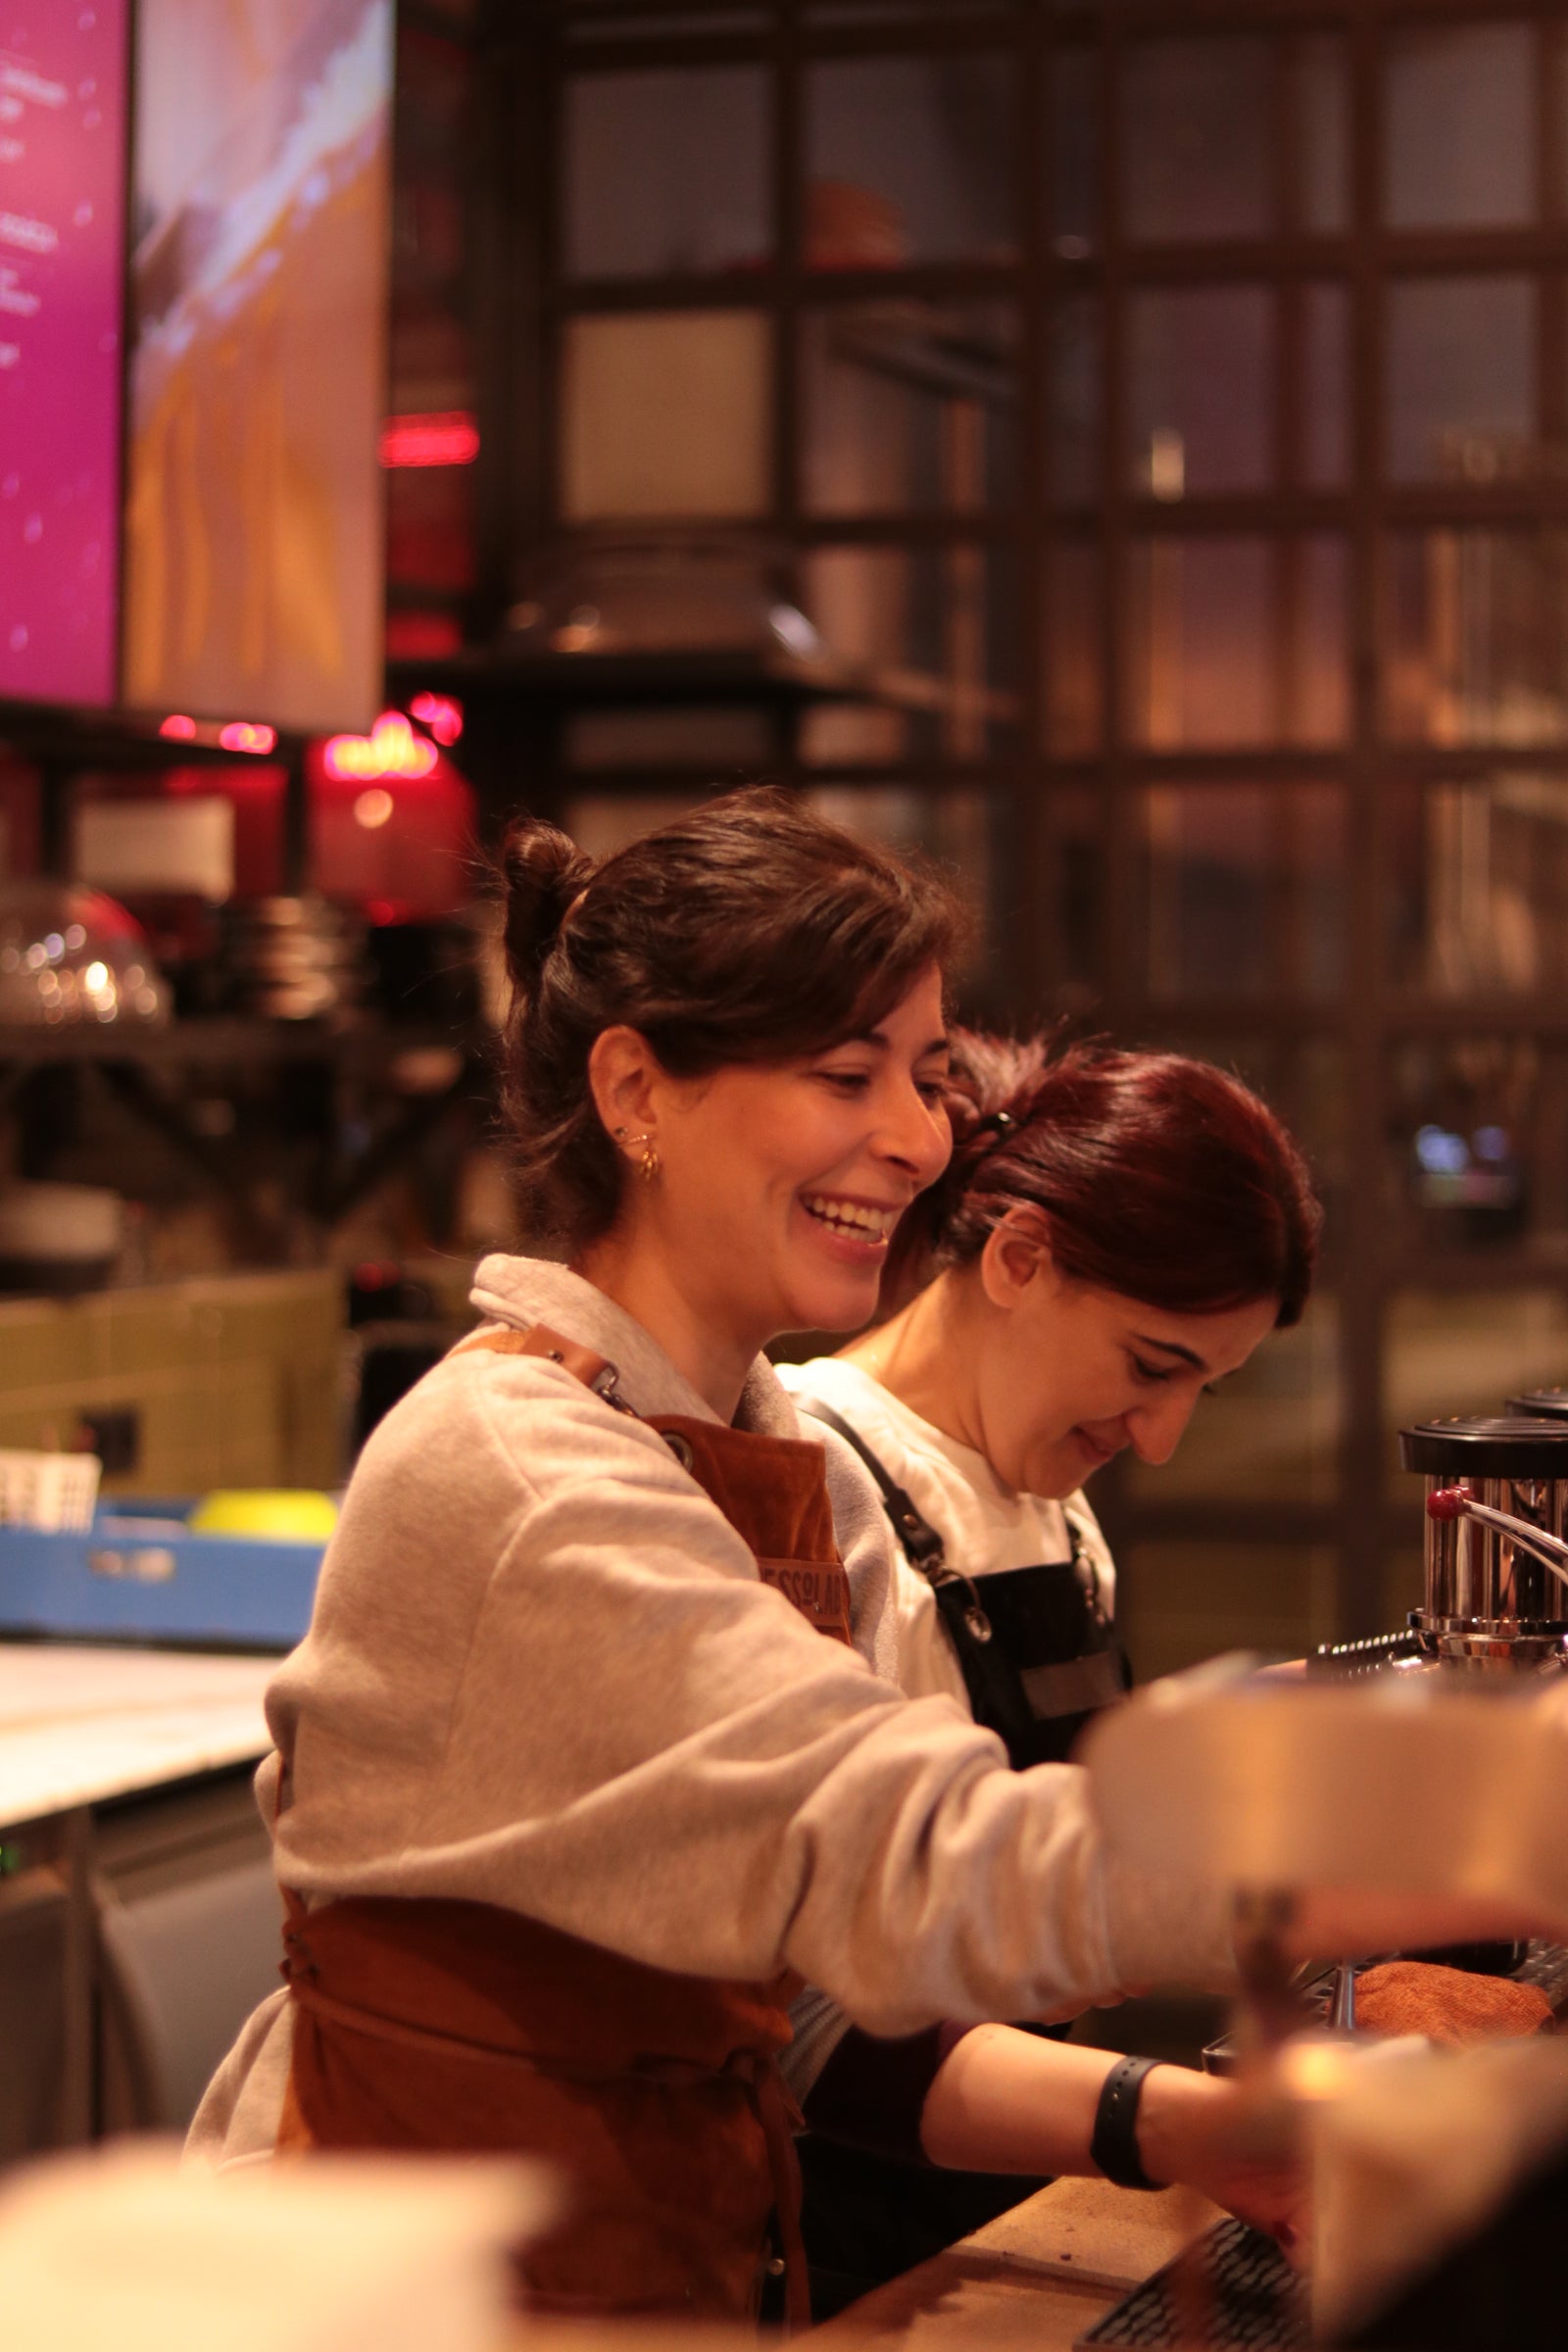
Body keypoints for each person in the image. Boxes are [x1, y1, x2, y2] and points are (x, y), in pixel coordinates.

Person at [185, 789, 1528, 2329]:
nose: (920, 1136)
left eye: (926, 1074)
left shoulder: (762, 1456)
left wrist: (1184, 2128)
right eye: (846, 1075)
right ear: (636, 1090)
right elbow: (917, 1858)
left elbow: (808, 1999)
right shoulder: (526, 1472)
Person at [776, 1031, 1319, 2312]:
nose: (1162, 1440)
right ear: (1019, 1258)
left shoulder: (1054, 1513)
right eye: (1151, 1367)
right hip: (841, 2246)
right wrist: (1168, 2117)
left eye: (1202, 1391)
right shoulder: (814, 1483)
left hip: (1002, 2210)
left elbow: (1045, 1922)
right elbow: (817, 2020)